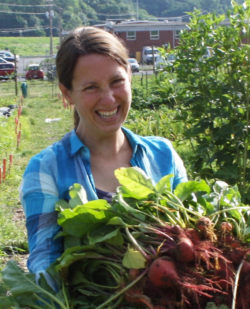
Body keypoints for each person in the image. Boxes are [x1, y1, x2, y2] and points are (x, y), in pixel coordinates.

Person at [20, 26, 188, 279]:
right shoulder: (46, 168)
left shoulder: (163, 154)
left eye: (116, 81)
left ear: (129, 75)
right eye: (91, 88)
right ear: (67, 93)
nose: (109, 99)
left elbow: (189, 238)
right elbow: (45, 261)